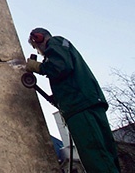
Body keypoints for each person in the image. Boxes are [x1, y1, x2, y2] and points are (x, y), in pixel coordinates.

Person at [26, 27, 121, 173]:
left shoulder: (55, 43)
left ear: (38, 38)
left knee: (95, 156)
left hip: (79, 107)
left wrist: (38, 67)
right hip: (89, 102)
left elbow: (60, 67)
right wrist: (57, 98)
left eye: (36, 47)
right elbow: (67, 74)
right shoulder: (64, 46)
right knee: (106, 154)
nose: (39, 52)